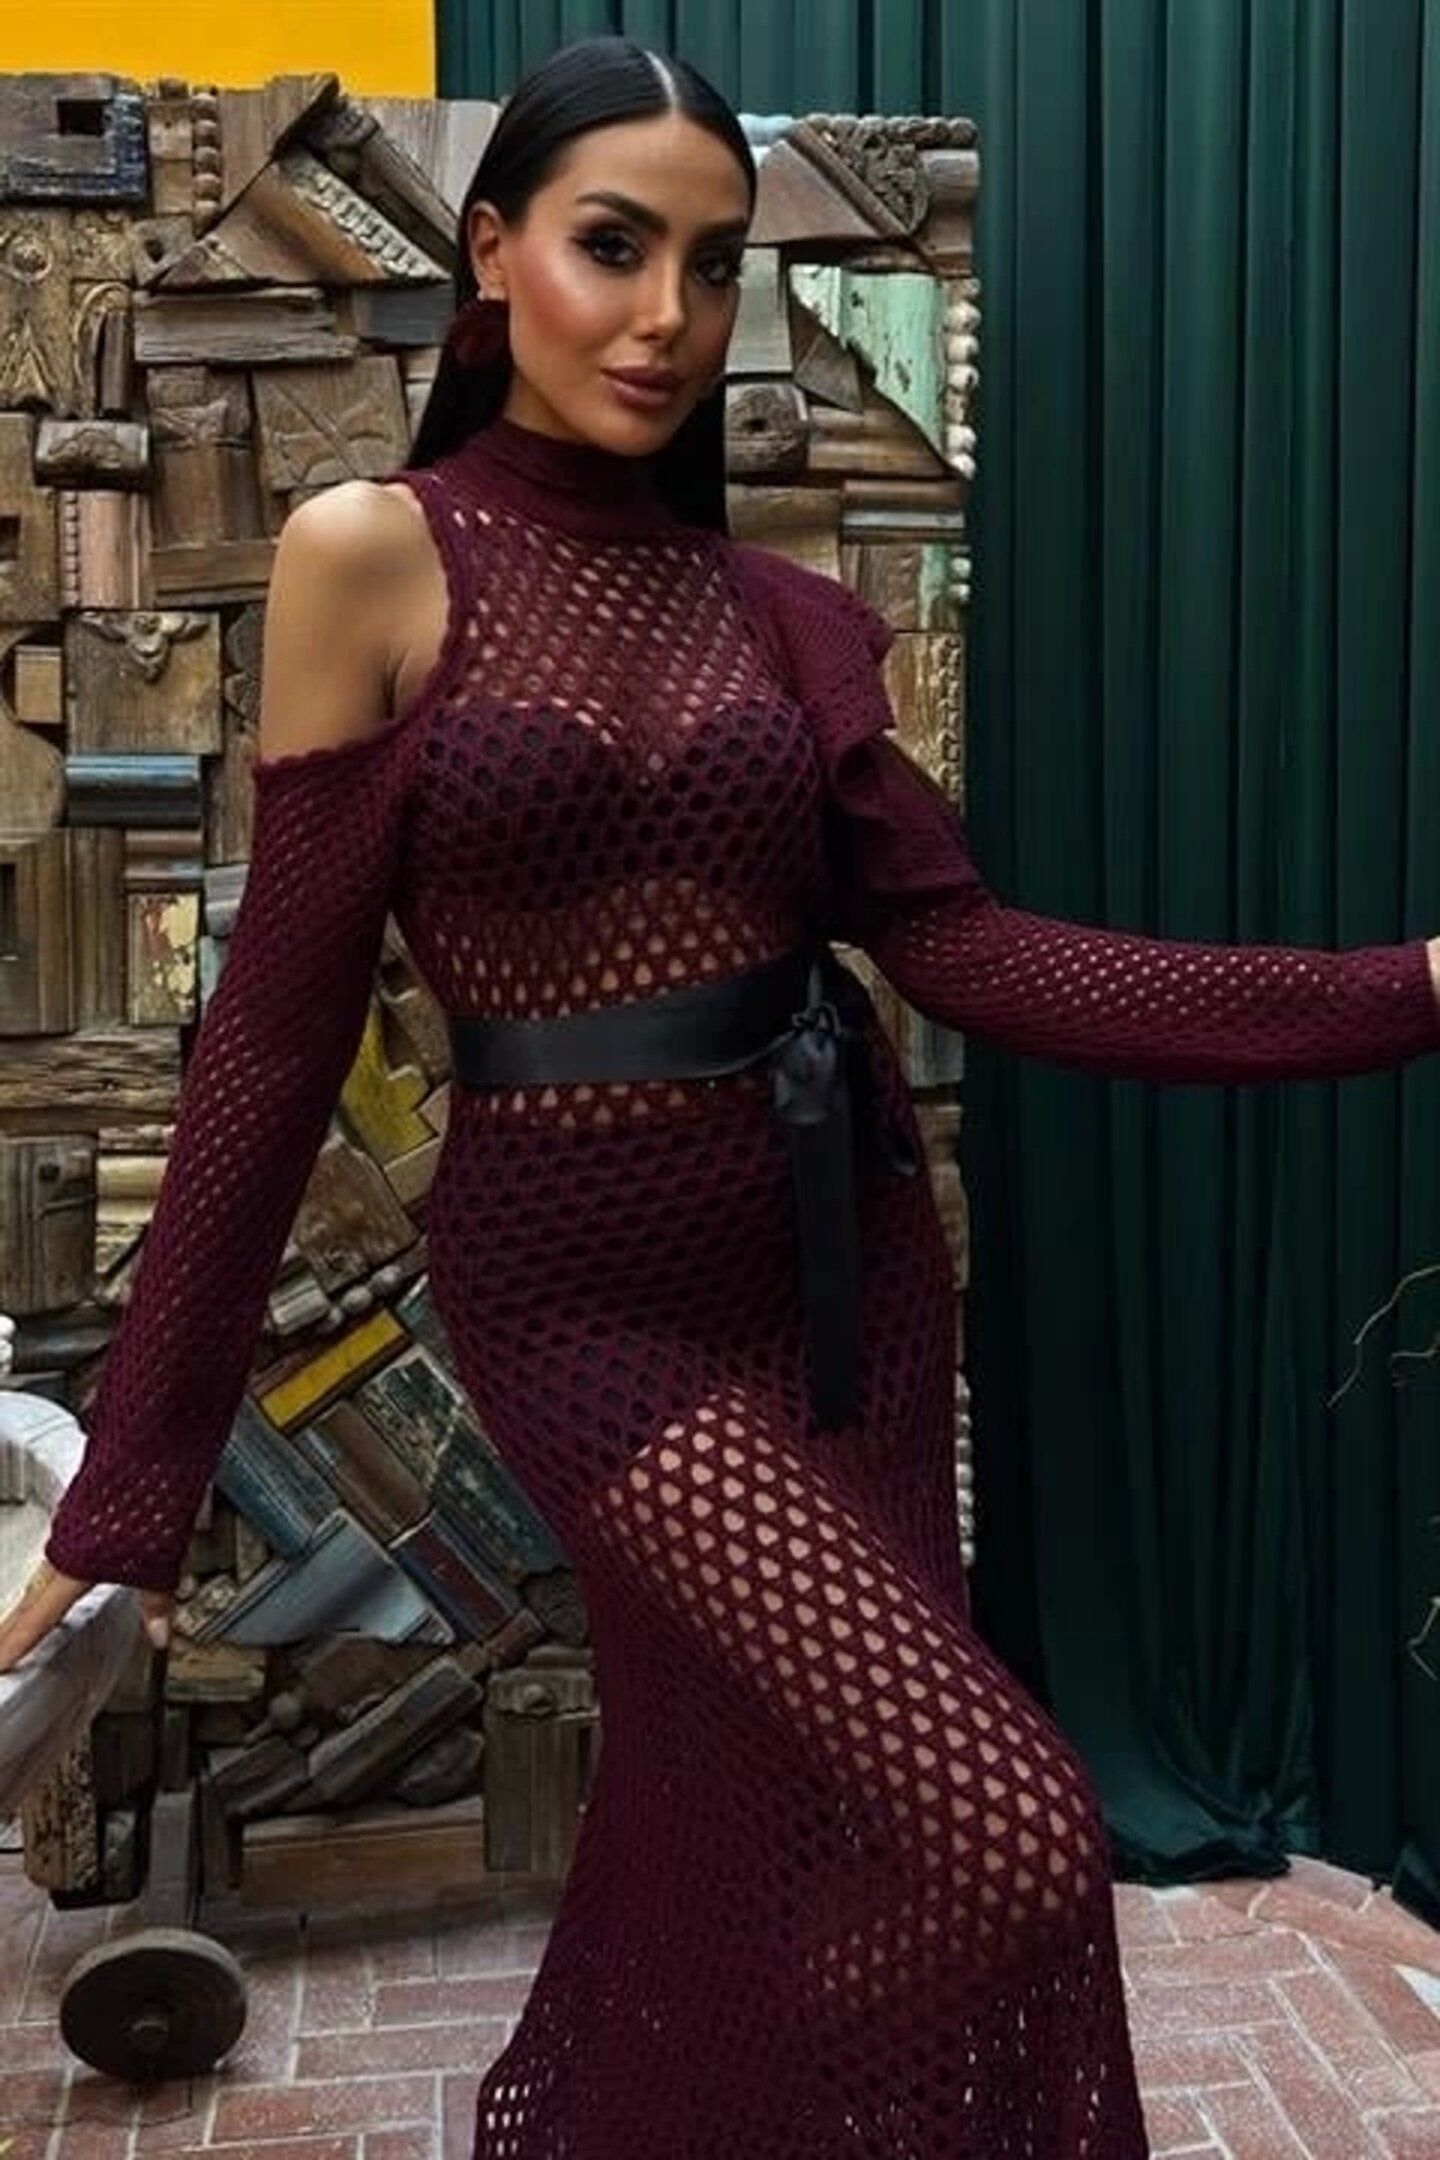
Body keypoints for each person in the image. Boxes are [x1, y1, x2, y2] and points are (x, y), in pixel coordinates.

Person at [2, 34, 1437, 2157]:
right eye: (612, 246)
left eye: (709, 262)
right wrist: (126, 1497)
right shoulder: (372, 553)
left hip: (844, 1278)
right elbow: (273, 1052)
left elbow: (975, 955)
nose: (666, 315)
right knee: (1010, 1834)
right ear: (492, 253)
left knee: (759, 1809)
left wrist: (1413, 987)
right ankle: (668, 2099)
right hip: (586, 1313)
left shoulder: (783, 615)